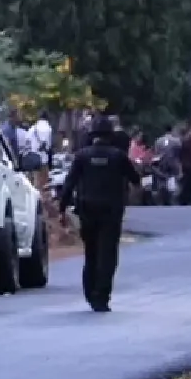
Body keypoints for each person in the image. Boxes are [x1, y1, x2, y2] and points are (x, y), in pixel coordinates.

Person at [60, 117, 138, 312]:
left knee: (91, 252)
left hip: (87, 211)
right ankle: (101, 297)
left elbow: (69, 185)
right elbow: (135, 179)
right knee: (108, 255)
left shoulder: (82, 156)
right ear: (111, 136)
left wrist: (61, 209)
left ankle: (90, 291)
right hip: (111, 212)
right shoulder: (118, 156)